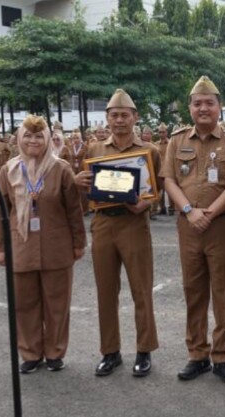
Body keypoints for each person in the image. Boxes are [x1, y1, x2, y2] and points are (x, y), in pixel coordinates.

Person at [161, 76, 225, 383]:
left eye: (210, 103)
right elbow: (169, 180)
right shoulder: (177, 140)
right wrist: (188, 211)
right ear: (190, 108)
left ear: (220, 107)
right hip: (189, 227)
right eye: (198, 104)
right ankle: (197, 354)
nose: (204, 108)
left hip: (221, 227)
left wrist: (209, 213)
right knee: (193, 291)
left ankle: (221, 355)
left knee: (223, 292)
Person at [74, 89, 161, 377]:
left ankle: (144, 350)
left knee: (141, 289)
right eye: (114, 115)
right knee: (106, 291)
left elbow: (156, 192)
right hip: (103, 224)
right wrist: (82, 182)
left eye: (125, 115)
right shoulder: (95, 149)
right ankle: (110, 352)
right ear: (107, 119)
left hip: (134, 224)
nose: (120, 120)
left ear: (135, 117)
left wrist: (145, 204)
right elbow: (90, 184)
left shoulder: (150, 151)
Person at [0, 115, 86, 373]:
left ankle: (55, 352)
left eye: (38, 136)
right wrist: (1, 248)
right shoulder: (8, 170)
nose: (33, 141)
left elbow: (74, 211)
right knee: (24, 303)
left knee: (57, 303)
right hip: (21, 246)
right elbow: (1, 213)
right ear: (19, 139)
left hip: (56, 246)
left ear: (47, 139)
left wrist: (79, 243)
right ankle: (31, 353)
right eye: (28, 136)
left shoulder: (61, 169)